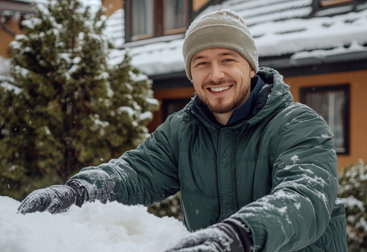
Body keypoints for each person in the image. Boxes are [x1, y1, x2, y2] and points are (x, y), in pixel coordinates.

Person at [18, 10, 349, 252]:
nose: (215, 74)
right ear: (191, 74)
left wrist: (240, 233)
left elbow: (305, 198)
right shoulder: (182, 129)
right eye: (201, 62)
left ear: (250, 66)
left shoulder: (297, 124)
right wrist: (77, 193)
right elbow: (136, 172)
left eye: (227, 59)